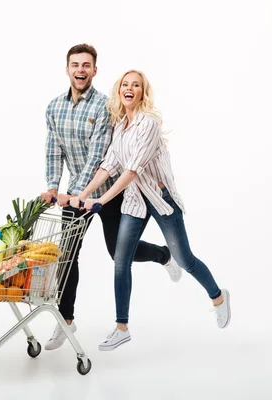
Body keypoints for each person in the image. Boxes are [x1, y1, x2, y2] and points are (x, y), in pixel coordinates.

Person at [70, 69, 232, 351]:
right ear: (119, 91)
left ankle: (218, 297)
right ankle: (122, 328)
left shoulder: (149, 124)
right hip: (135, 202)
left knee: (185, 260)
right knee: (120, 260)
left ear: (143, 93)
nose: (129, 88)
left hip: (161, 199)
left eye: (136, 85)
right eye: (125, 84)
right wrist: (82, 194)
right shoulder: (119, 127)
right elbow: (108, 166)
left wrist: (101, 200)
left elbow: (132, 170)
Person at [40, 44, 183, 351]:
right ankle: (65, 320)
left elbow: (99, 157)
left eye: (86, 65)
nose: (80, 70)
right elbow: (53, 150)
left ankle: (164, 255)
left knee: (118, 254)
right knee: (67, 254)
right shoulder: (53, 108)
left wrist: (80, 193)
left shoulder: (104, 107)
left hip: (108, 192)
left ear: (94, 71)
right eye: (75, 64)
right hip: (76, 196)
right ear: (67, 69)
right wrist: (53, 187)